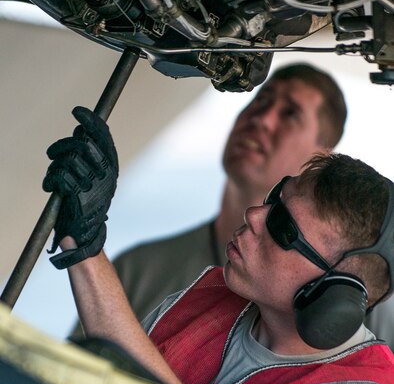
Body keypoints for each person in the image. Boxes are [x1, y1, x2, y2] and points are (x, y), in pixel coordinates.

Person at [43, 109, 394, 384]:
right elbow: (127, 378)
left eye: (283, 227)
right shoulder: (209, 296)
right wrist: (83, 240)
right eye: (274, 199)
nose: (255, 215)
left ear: (334, 293)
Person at [71, 62, 348, 330]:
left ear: (320, 159)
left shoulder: (339, 302)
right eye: (260, 101)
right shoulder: (138, 269)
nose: (262, 119)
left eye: (290, 114)